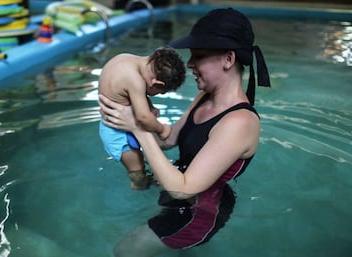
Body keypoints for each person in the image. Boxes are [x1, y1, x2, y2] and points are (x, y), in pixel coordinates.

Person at [99, 8, 271, 257]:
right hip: (177, 194)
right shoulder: (205, 97)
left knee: (125, 251)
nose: (189, 63)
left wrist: (137, 127)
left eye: (198, 55)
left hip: (200, 214)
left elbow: (184, 188)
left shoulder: (240, 122)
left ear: (228, 59)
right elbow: (169, 139)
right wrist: (129, 114)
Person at [98, 46, 186, 190]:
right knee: (137, 168)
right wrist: (162, 128)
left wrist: (149, 107)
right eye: (159, 92)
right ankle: (139, 184)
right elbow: (143, 118)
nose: (156, 94)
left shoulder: (125, 58)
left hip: (112, 123)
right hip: (118, 134)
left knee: (151, 148)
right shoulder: (135, 81)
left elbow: (125, 93)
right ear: (157, 83)